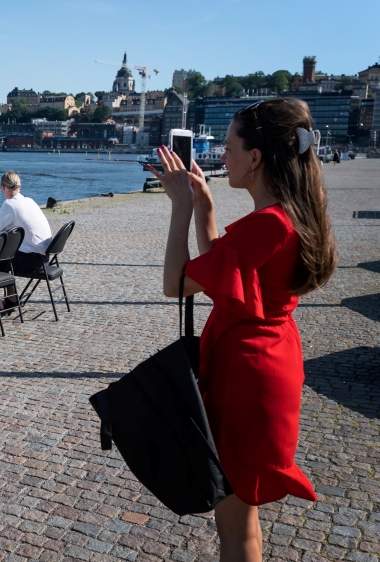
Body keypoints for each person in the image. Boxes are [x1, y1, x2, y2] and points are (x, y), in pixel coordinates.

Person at [154, 98, 337, 562]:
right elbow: (224, 276)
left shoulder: (265, 226)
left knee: (233, 527)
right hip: (268, 361)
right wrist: (204, 208)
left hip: (247, 375)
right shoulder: (288, 216)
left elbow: (176, 283)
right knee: (241, 519)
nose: (223, 157)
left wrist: (179, 206)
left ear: (256, 157)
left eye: (231, 147)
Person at [0, 171, 54, 308]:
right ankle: (12, 298)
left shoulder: (10, 204)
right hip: (44, 258)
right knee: (5, 256)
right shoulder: (30, 201)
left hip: (31, 261)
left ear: (3, 187)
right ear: (19, 186)